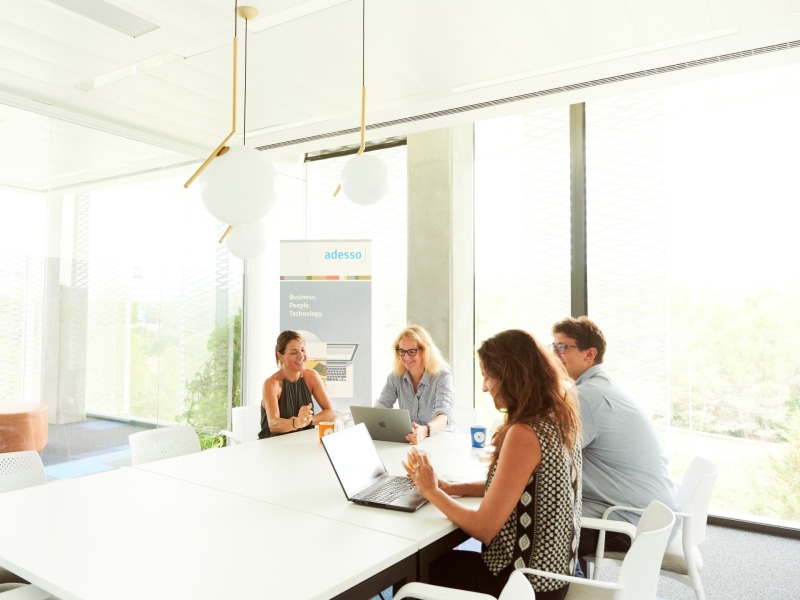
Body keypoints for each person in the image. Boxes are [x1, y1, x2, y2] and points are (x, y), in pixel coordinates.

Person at [404, 329, 582, 599]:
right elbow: (513, 486)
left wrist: (432, 492)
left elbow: (484, 528)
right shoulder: (558, 416)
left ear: (512, 377)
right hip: (552, 577)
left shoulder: (524, 433)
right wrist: (450, 486)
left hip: (521, 586)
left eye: (488, 377)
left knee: (415, 574)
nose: (485, 387)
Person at [550, 316, 679, 573]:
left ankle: (569, 589)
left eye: (563, 347)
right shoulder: (600, 388)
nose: (555, 354)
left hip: (631, 523)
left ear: (590, 354)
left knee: (542, 526)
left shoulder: (586, 398)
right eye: (553, 346)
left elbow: (549, 461)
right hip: (654, 515)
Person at [375, 325, 455, 444]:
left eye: (412, 352)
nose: (406, 357)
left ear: (425, 351)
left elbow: (444, 416)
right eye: (402, 351)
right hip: (411, 442)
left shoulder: (442, 377)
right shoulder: (396, 377)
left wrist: (424, 430)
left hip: (441, 440)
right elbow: (380, 409)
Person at [259, 330, 335, 439]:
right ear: (280, 356)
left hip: (302, 442)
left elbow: (331, 414)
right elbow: (273, 424)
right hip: (273, 444)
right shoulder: (271, 384)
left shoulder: (311, 376)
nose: (301, 356)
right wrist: (297, 422)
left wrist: (309, 420)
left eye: (302, 350)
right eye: (294, 352)